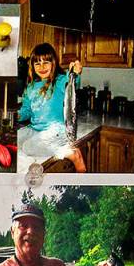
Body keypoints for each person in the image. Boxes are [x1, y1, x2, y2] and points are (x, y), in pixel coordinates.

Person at [18, 43, 86, 172]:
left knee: (28, 147)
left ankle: (70, 153)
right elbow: (26, 110)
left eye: (46, 62)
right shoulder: (30, 87)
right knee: (16, 139)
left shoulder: (60, 81)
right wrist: (18, 114)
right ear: (32, 66)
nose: (42, 67)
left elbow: (72, 83)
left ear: (53, 63)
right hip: (36, 129)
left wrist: (75, 74)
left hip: (57, 131)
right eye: (37, 63)